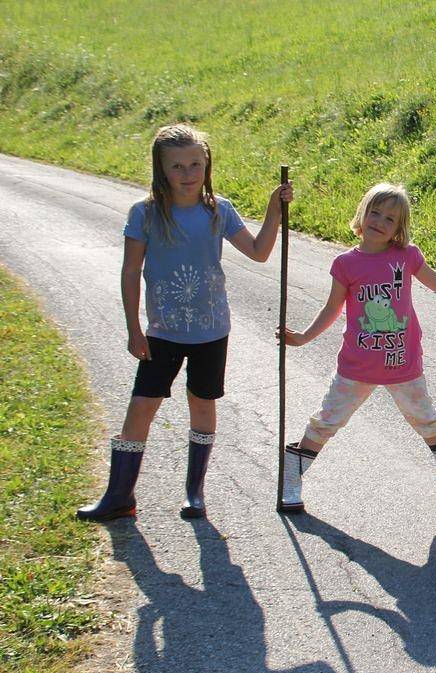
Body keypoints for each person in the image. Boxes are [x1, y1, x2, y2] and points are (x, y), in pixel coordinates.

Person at [78, 124, 292, 522]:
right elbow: (130, 271)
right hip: (161, 332)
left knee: (202, 403)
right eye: (177, 166)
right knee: (141, 406)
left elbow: (260, 252)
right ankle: (119, 496)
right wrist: (133, 328)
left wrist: (273, 210)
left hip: (211, 330)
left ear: (207, 164)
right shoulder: (143, 213)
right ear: (161, 169)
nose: (188, 173)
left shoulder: (218, 211)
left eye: (196, 163)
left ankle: (195, 492)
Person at [277, 182, 436, 512]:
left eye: (390, 219)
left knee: (427, 420)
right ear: (362, 214)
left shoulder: (407, 256)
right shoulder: (346, 264)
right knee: (327, 420)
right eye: (375, 212)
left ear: (399, 229)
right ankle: (292, 478)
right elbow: (332, 309)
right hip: (357, 366)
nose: (379, 222)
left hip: (403, 364)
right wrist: (302, 337)